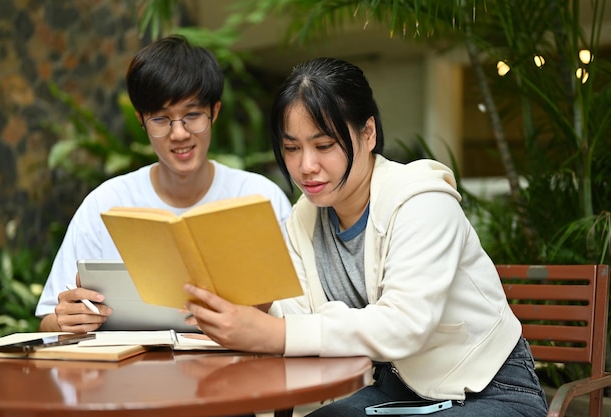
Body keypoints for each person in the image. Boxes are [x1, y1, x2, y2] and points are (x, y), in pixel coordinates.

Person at [183, 57, 549, 417]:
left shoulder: (422, 200)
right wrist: (251, 308)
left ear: (368, 132)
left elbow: (405, 325)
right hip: (395, 388)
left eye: (324, 145)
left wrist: (273, 333)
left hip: (487, 389)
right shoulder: (306, 215)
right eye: (292, 148)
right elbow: (299, 315)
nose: (306, 165)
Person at [36, 35, 292, 334]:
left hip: (237, 371)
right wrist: (67, 320)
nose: (180, 133)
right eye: (161, 119)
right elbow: (48, 322)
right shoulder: (104, 204)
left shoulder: (260, 197)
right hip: (130, 376)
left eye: (193, 115)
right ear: (141, 121)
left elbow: (297, 314)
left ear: (215, 112)